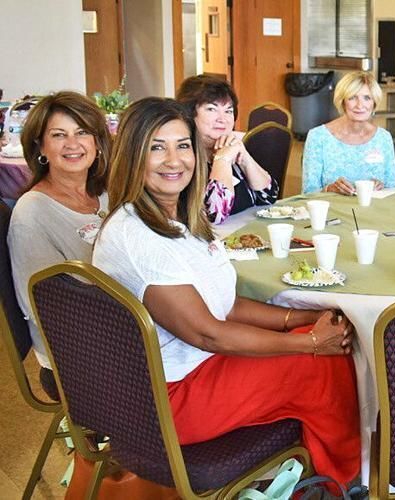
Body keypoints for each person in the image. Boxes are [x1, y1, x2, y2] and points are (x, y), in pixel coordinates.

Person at [92, 97, 360, 491]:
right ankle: (341, 480)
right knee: (321, 362)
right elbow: (208, 332)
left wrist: (302, 320)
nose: (174, 160)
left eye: (182, 145)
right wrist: (314, 342)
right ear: (132, 155)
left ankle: (318, 469)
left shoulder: (174, 219)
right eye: (156, 147)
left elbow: (226, 303)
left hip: (189, 370)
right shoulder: (139, 236)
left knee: (313, 342)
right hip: (171, 400)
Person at [9, 91, 111, 370]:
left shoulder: (106, 195)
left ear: (97, 142)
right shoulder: (31, 213)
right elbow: (45, 309)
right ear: (40, 147)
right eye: (58, 135)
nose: (73, 144)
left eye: (82, 132)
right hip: (79, 354)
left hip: (126, 324)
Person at [175, 75, 278, 224]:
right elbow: (214, 215)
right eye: (212, 109)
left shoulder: (231, 148)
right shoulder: (184, 159)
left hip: (246, 239)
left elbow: (269, 196)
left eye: (228, 111)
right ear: (190, 114)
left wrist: (245, 158)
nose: (222, 119)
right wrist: (222, 160)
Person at [302, 70, 395, 194]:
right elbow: (308, 193)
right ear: (342, 102)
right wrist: (329, 190)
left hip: (374, 210)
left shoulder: (383, 138)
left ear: (374, 103)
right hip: (332, 211)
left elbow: (393, 190)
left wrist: (382, 187)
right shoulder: (318, 137)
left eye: (367, 98)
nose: (360, 105)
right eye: (352, 98)